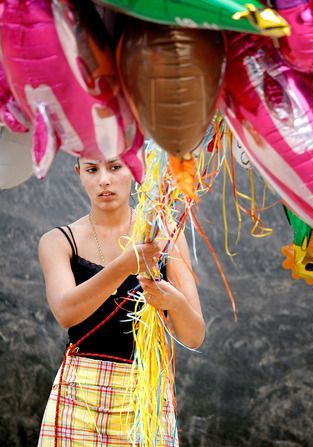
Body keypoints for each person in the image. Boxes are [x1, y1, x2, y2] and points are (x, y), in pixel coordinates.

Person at [36, 157, 205, 446]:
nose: (104, 179)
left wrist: (174, 303)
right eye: (92, 169)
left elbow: (194, 336)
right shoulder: (57, 241)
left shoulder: (165, 238)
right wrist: (125, 265)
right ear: (79, 174)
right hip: (79, 391)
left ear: (135, 168)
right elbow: (66, 312)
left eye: (115, 167)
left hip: (145, 395)